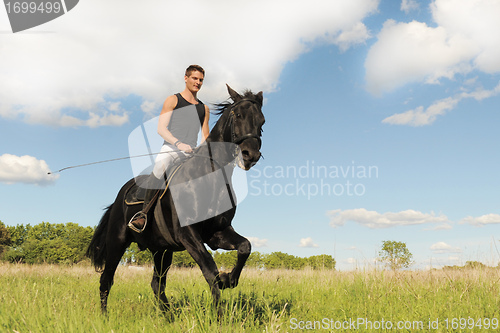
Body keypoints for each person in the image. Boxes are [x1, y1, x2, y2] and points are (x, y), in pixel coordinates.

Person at [128, 65, 210, 233]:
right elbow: (161, 129)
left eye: (201, 79)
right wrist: (179, 144)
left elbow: (205, 136)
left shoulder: (204, 108)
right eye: (195, 78)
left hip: (192, 153)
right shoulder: (173, 100)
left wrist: (203, 150)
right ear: (186, 78)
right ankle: (142, 215)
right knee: (159, 168)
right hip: (172, 149)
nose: (198, 82)